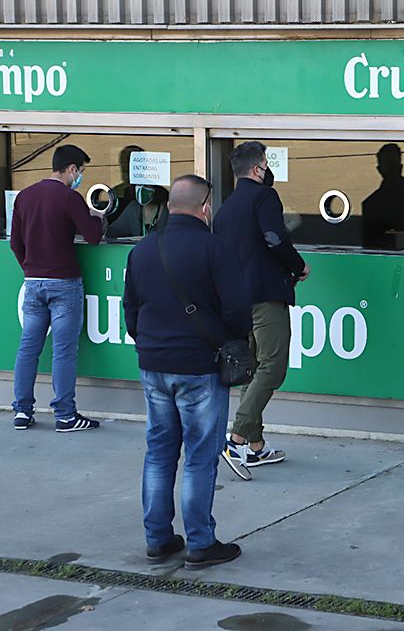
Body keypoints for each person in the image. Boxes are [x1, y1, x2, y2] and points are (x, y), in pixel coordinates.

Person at [124, 175, 251, 569]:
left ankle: (158, 539)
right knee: (199, 456)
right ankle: (200, 542)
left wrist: (151, 345)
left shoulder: (143, 250)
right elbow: (237, 311)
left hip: (154, 366)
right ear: (205, 206)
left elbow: (130, 311)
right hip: (200, 367)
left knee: (159, 453)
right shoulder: (215, 248)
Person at [214, 141, 309, 481]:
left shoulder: (224, 209)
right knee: (274, 366)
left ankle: (254, 447)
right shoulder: (263, 197)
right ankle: (237, 438)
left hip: (237, 300)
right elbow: (274, 236)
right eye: (266, 164)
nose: (268, 170)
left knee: (251, 368)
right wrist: (297, 266)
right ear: (257, 170)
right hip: (266, 296)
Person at [9, 144, 105, 432]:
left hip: (33, 283)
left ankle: (22, 411)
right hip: (64, 284)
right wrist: (98, 218)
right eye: (82, 171)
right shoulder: (69, 197)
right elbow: (92, 238)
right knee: (63, 351)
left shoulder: (25, 196)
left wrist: (29, 268)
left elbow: (15, 242)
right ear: (72, 169)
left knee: (28, 348)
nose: (81, 177)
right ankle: (65, 415)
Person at [106, 145, 169, 239]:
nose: (125, 168)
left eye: (129, 164)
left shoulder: (168, 208)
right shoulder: (133, 207)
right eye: (123, 163)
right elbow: (111, 233)